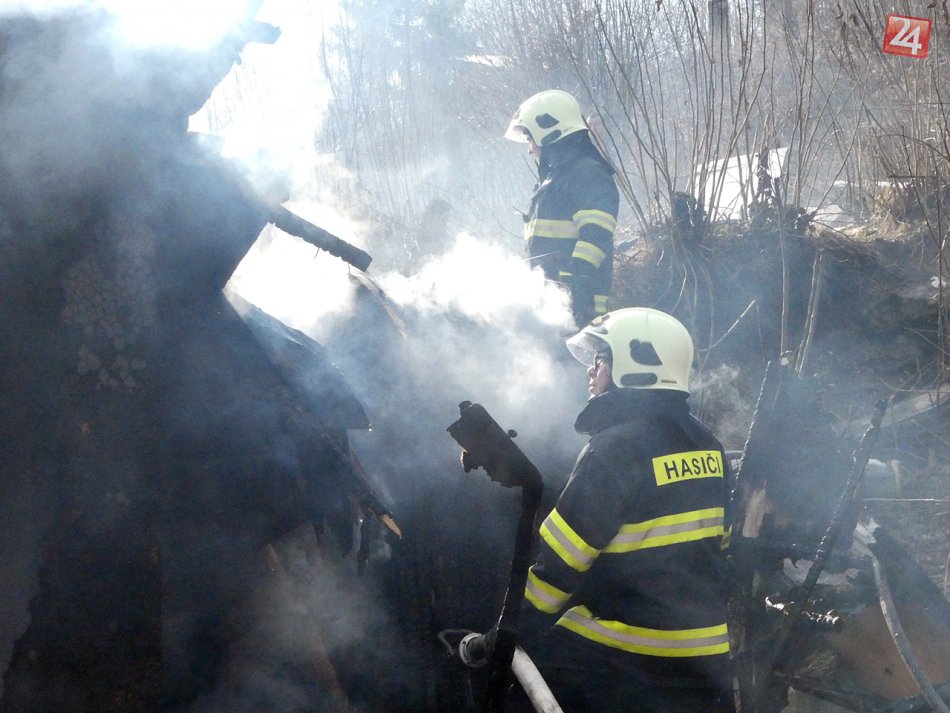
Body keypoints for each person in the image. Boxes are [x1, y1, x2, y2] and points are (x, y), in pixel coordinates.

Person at [516, 307, 734, 713]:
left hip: (627, 655)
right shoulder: (707, 444)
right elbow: (721, 543)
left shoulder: (613, 450)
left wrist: (510, 629)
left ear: (637, 368)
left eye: (601, 359)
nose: (591, 371)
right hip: (705, 659)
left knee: (516, 689)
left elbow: (560, 565)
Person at [505, 90, 619, 329]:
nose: (529, 149)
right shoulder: (555, 180)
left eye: (530, 139)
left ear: (550, 134)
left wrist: (570, 284)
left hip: (580, 309)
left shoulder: (587, 174)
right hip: (553, 307)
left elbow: (596, 235)